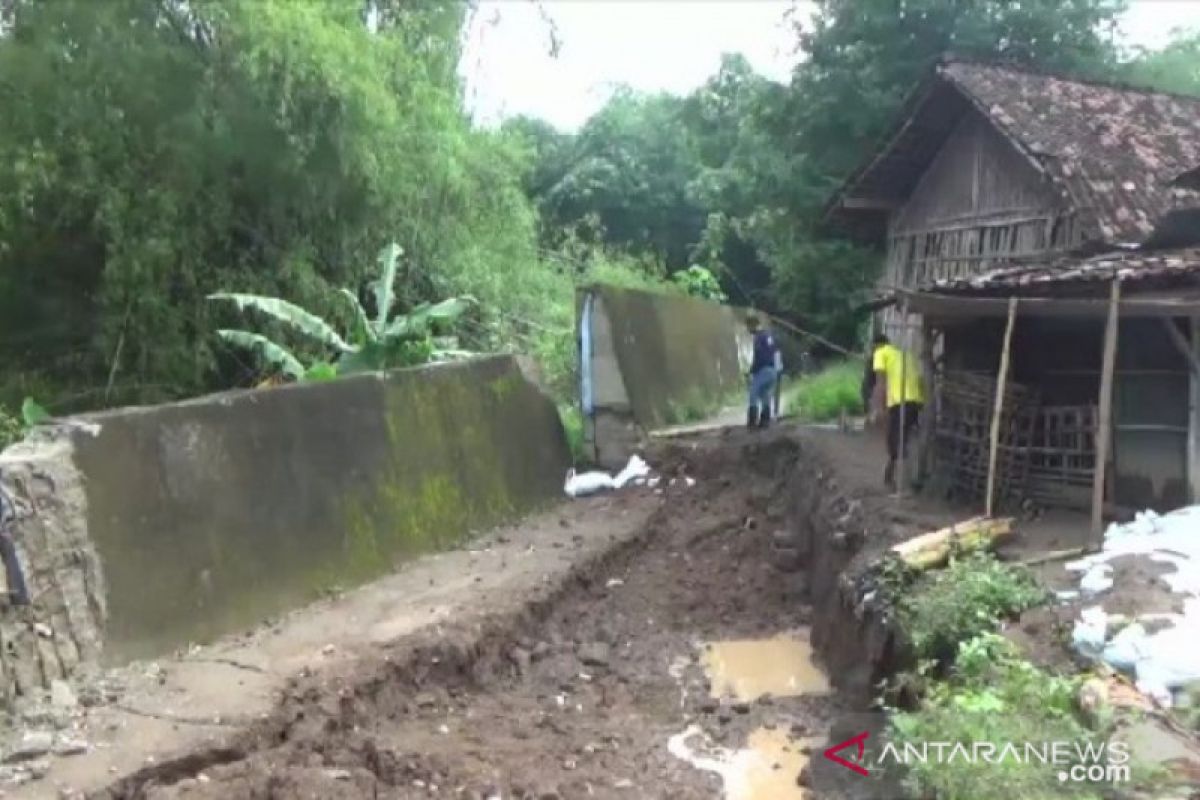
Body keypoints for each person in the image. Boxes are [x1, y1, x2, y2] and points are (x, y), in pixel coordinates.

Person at [870, 333, 924, 491]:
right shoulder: (904, 355)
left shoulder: (881, 353)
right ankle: (892, 477)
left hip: (900, 401)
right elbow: (919, 379)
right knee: (901, 439)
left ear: (876, 345)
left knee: (896, 442)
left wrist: (878, 409)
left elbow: (881, 383)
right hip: (915, 401)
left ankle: (905, 485)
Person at [746, 315, 780, 429]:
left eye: (748, 327)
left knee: (753, 393)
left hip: (763, 370)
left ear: (753, 325)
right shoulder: (768, 335)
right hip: (773, 370)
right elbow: (775, 352)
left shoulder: (758, 337)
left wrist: (751, 372)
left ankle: (752, 422)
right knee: (765, 395)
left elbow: (759, 357)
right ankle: (765, 421)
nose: (748, 330)